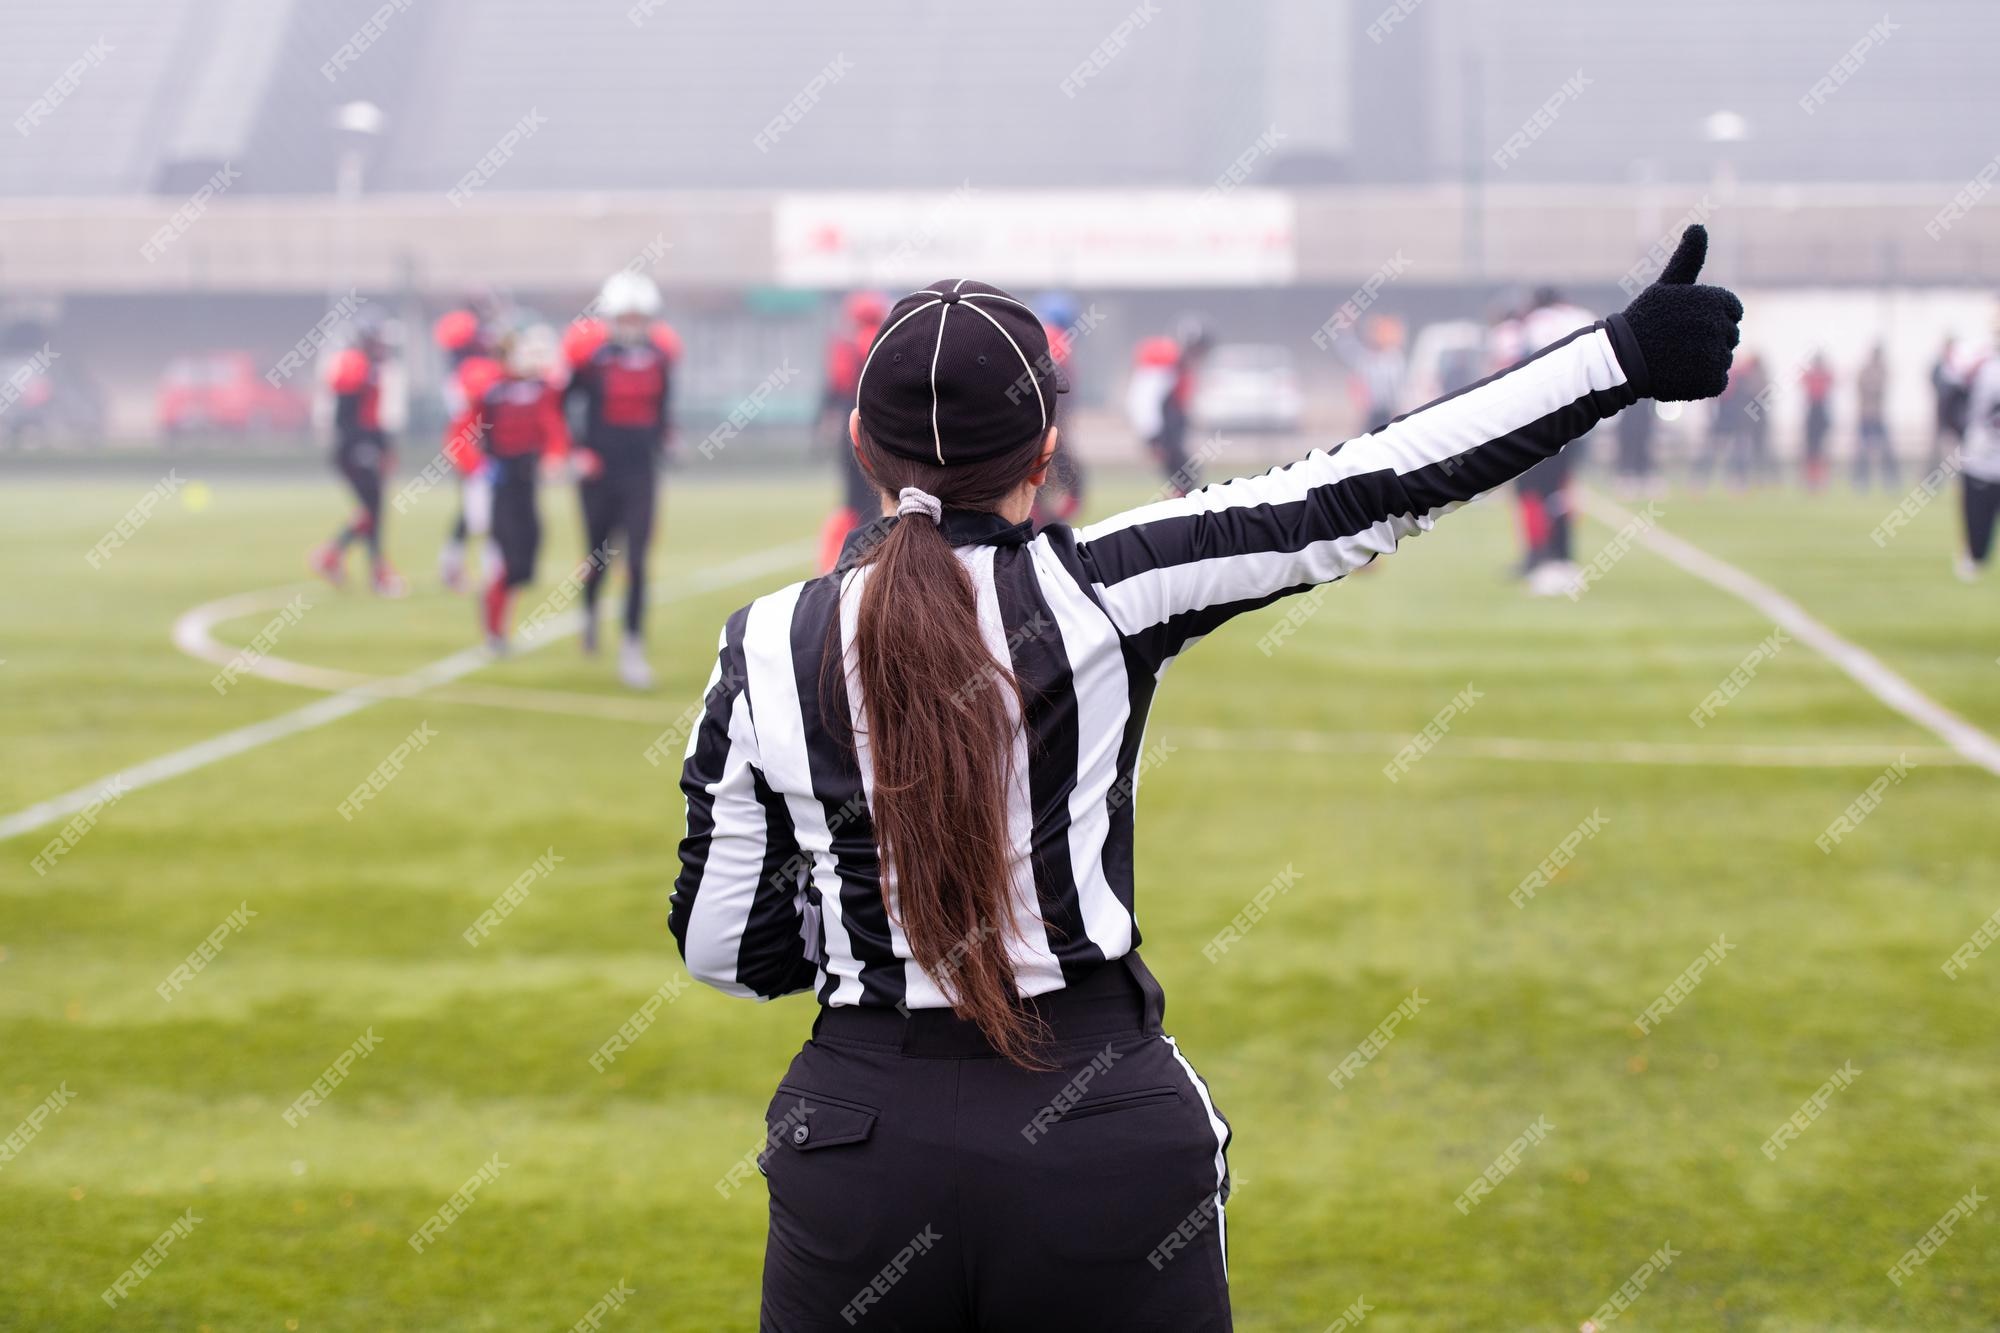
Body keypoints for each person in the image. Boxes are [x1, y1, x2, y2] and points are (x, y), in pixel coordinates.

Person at [669, 233, 1741, 1330]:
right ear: (1046, 448)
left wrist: (863, 924)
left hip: (858, 1141)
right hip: (1092, 1126)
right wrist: (1615, 357)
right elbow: (1359, 490)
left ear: (857, 442)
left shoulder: (761, 645)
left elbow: (722, 950)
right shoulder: (1106, 588)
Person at [563, 272, 681, 689]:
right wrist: (577, 450)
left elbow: (664, 407)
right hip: (599, 471)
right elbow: (563, 406)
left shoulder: (659, 358)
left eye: (638, 317)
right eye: (625, 317)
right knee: (597, 556)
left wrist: (668, 437)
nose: (632, 324)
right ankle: (590, 613)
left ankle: (632, 646)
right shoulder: (592, 360)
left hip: (640, 471)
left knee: (637, 561)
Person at [447, 325, 571, 652]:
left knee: (527, 554)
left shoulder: (541, 388)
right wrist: (478, 466)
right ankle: (495, 629)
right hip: (494, 480)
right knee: (501, 552)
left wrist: (555, 456)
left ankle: (493, 602)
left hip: (525, 478)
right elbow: (461, 434)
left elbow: (552, 424)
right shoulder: (488, 387)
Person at [1497, 287, 1596, 596]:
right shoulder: (1581, 319)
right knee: (1559, 492)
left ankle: (1540, 559)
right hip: (1576, 418)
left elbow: (1515, 370)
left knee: (1532, 492)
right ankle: (1563, 557)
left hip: (1535, 420)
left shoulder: (1527, 326)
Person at [312, 315, 407, 597]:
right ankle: (377, 572)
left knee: (370, 511)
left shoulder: (370, 368)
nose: (382, 347)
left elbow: (373, 416)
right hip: (354, 448)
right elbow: (348, 416)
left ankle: (332, 555)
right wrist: (365, 447)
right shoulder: (354, 365)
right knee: (373, 510)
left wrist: (384, 447)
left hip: (365, 445)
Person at [816, 292, 889, 573]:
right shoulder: (885, 342)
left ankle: (845, 559)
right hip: (880, 431)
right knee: (878, 498)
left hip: (853, 429)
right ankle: (879, 555)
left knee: (853, 501)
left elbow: (836, 387)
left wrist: (822, 421)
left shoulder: (848, 346)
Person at [433, 295, 501, 591]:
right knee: (480, 510)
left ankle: (454, 562)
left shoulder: (478, 370)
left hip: (478, 440)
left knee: (475, 509)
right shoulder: (468, 374)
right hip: (471, 443)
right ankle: (481, 566)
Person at [1126, 317, 1211, 498]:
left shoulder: (1179, 364)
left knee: (1186, 478)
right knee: (1185, 478)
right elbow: (1144, 399)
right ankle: (1176, 518)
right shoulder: (1166, 358)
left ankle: (1179, 516)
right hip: (1162, 433)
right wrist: (1153, 437)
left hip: (1169, 430)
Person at [1031, 290, 1087, 527]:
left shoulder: (1035, 334)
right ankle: (1050, 524)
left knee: (1039, 479)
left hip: (1034, 422)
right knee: (1068, 475)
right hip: (1047, 422)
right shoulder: (1055, 339)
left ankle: (1043, 521)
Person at [1953, 330, 2000, 581]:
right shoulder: (1980, 365)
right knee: (1977, 531)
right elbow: (1951, 397)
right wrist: (1963, 430)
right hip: (1982, 457)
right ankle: (1971, 555)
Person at [1853, 343, 1899, 491]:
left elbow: (1884, 384)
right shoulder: (1865, 370)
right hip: (1866, 416)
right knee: (1863, 451)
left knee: (1887, 450)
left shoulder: (1882, 370)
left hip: (1879, 416)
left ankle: (1890, 481)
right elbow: (1863, 387)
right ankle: (1861, 481)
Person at [1801, 351, 1835, 491]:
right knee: (1811, 450)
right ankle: (1812, 480)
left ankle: (1820, 480)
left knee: (1820, 450)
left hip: (1820, 412)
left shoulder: (1823, 375)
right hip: (1813, 412)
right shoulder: (1812, 376)